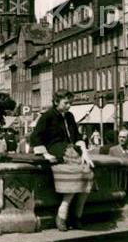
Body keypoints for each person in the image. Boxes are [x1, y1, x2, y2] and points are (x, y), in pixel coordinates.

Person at [30, 90, 94, 231]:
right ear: (56, 102)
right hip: (58, 154)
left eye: (70, 103)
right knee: (74, 177)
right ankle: (63, 214)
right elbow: (35, 137)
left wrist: (84, 152)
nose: (69, 106)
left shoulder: (70, 116)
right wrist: (45, 154)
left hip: (72, 153)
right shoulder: (47, 116)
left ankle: (76, 215)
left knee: (88, 175)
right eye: (66, 103)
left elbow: (77, 135)